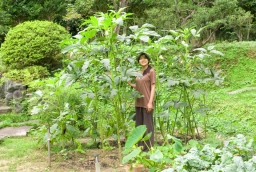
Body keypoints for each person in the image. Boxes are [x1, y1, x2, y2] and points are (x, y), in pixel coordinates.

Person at [128, 52, 156, 151]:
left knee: (147, 126)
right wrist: (131, 84)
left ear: (148, 59)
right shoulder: (138, 72)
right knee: (139, 125)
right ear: (138, 61)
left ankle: (148, 148)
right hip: (138, 102)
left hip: (147, 102)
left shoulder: (151, 71)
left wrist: (150, 102)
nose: (142, 60)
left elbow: (152, 87)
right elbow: (140, 86)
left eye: (144, 58)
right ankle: (140, 147)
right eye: (140, 58)